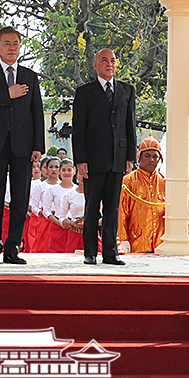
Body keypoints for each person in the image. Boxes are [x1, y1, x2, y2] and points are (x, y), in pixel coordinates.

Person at [0, 27, 44, 264]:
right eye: (7, 43)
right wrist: (7, 94)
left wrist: (38, 146)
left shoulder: (30, 76)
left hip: (23, 145)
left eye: (16, 43)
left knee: (20, 198)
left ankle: (13, 248)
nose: (12, 47)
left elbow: (37, 113)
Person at [72, 48, 136, 266]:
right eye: (104, 60)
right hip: (93, 159)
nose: (109, 64)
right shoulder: (84, 92)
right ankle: (90, 251)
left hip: (118, 157)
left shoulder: (127, 90)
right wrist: (80, 160)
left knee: (112, 207)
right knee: (92, 207)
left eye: (113, 60)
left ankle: (110, 252)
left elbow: (130, 125)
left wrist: (130, 156)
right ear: (95, 65)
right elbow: (78, 129)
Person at [119, 137, 166, 254]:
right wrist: (122, 239)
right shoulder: (128, 180)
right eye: (147, 156)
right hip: (136, 242)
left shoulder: (165, 181)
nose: (151, 160)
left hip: (161, 243)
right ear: (139, 157)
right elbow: (121, 212)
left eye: (155, 156)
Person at [47, 159, 84, 253]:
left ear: (74, 171)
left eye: (69, 170)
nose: (66, 173)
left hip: (77, 227)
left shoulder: (78, 189)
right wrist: (62, 223)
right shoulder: (53, 189)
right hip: (60, 225)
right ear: (60, 171)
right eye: (63, 170)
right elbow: (46, 211)